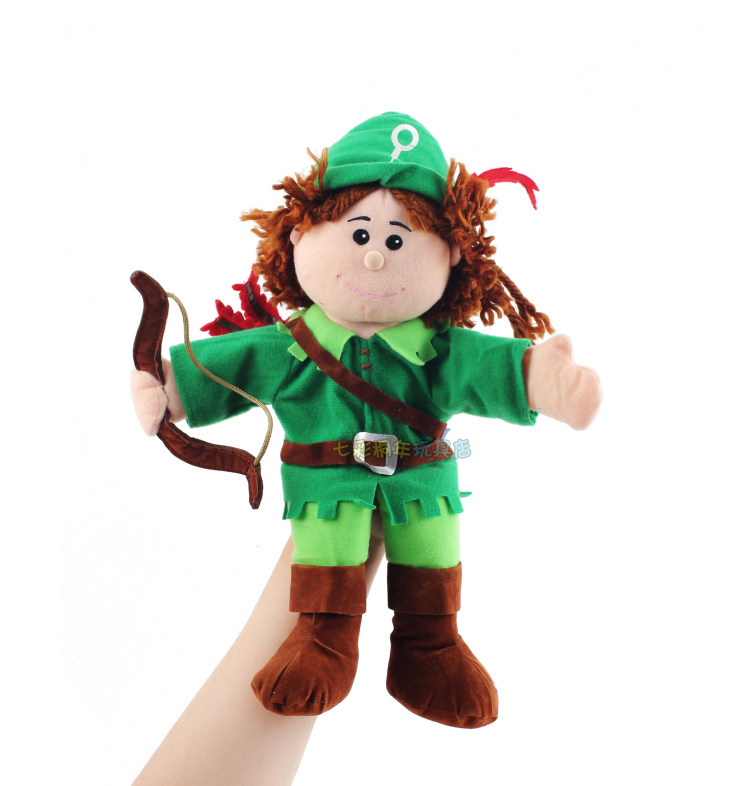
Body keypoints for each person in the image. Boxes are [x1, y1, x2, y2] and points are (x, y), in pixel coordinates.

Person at [132, 112, 602, 743]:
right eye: (357, 235)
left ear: (452, 256)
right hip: (327, 488)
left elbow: (489, 368)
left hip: (422, 481)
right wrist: (170, 388)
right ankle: (322, 637)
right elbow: (233, 364)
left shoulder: (438, 348)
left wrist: (545, 380)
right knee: (327, 549)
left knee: (432, 548)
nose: (376, 254)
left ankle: (431, 644)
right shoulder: (292, 345)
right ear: (300, 235)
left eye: (399, 240)